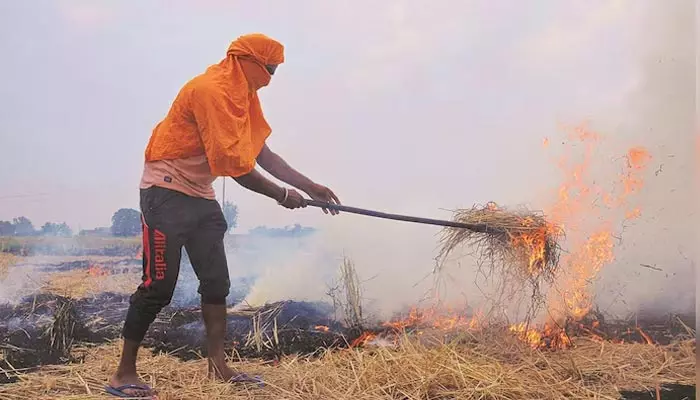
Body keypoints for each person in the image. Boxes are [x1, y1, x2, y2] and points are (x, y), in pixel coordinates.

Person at [106, 33, 340, 399]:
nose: (271, 78)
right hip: (165, 191)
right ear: (246, 60)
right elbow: (235, 166)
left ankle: (218, 367)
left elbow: (260, 152)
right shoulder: (210, 90)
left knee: (217, 284)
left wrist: (311, 187)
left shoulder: (244, 97)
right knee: (158, 288)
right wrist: (282, 195)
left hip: (200, 193)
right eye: (270, 69)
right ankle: (123, 374)